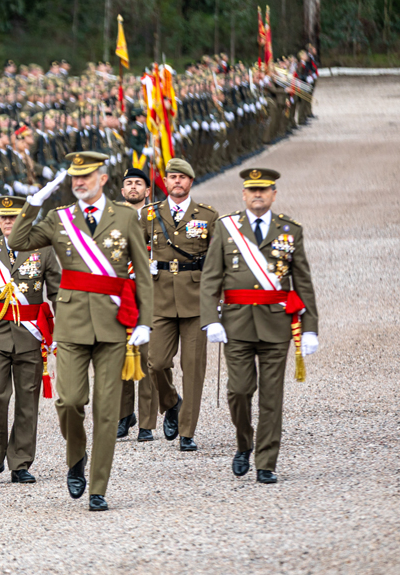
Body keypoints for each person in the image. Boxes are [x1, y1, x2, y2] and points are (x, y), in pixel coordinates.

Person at [8, 153, 153, 511]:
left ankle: (98, 487)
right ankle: (77, 457)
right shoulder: (59, 219)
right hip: (71, 324)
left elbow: (144, 274)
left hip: (112, 323)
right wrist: (34, 202)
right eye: (74, 177)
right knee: (69, 401)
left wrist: (144, 321)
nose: (79, 182)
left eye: (86, 176)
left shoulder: (125, 217)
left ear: (102, 179)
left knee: (106, 410)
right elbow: (18, 242)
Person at [200, 167, 318, 483]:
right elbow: (211, 277)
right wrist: (210, 319)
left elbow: (303, 282)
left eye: (263, 190)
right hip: (236, 324)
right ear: (243, 194)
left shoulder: (290, 230)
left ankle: (266, 461)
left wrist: (310, 327)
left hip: (276, 325)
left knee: (271, 397)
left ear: (273, 195)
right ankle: (244, 442)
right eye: (252, 190)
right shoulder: (227, 229)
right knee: (238, 391)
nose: (257, 195)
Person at [0, 195, 59, 484]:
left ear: (25, 220)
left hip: (30, 335)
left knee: (27, 400)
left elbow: (56, 294)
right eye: (3, 218)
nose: (7, 222)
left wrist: (61, 331)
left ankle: (20, 462)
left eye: (14, 217)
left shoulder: (43, 250)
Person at [141, 158, 217, 451]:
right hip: (160, 298)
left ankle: (187, 431)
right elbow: (134, 250)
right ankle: (171, 401)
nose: (177, 181)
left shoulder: (207, 217)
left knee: (193, 367)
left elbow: (216, 261)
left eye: (182, 178)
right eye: (172, 177)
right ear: (166, 182)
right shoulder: (150, 215)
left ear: (190, 182)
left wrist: (216, 301)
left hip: (195, 300)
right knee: (156, 363)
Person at [116, 167, 163, 441]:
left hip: (149, 291)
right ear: (122, 191)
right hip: (120, 292)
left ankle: (146, 421)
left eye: (139, 183)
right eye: (129, 184)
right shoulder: (111, 218)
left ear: (148, 190)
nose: (133, 187)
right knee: (119, 355)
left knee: (149, 358)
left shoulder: (159, 217)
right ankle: (124, 415)